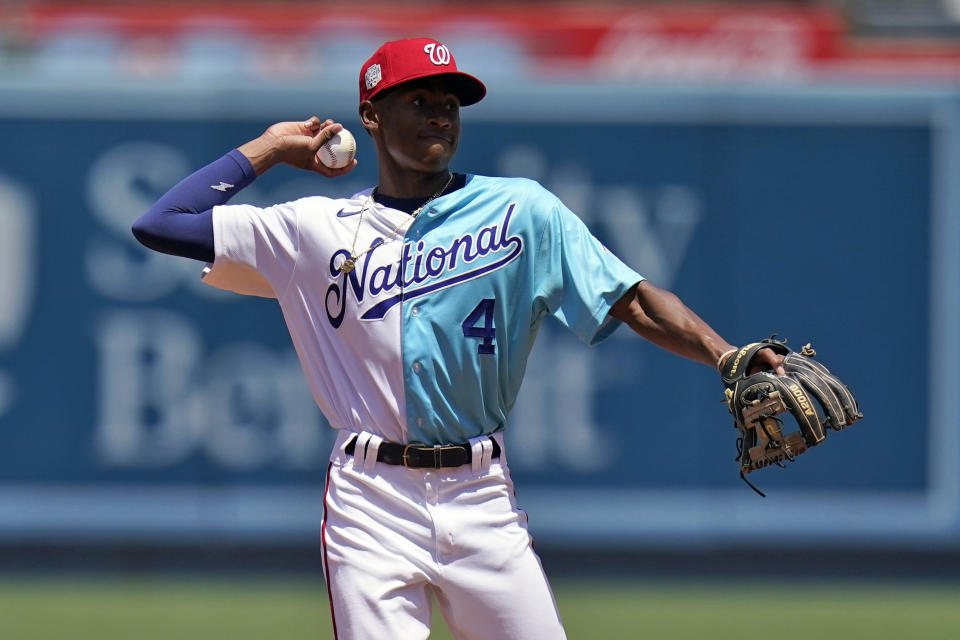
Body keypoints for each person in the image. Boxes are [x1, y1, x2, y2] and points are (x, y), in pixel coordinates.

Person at [132, 37, 783, 640]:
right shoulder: (313, 230)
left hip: (481, 495)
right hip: (370, 500)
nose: (440, 115)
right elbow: (163, 222)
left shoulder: (521, 210)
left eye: (450, 104)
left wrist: (725, 354)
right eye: (418, 101)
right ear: (371, 116)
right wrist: (273, 146)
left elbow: (632, 300)